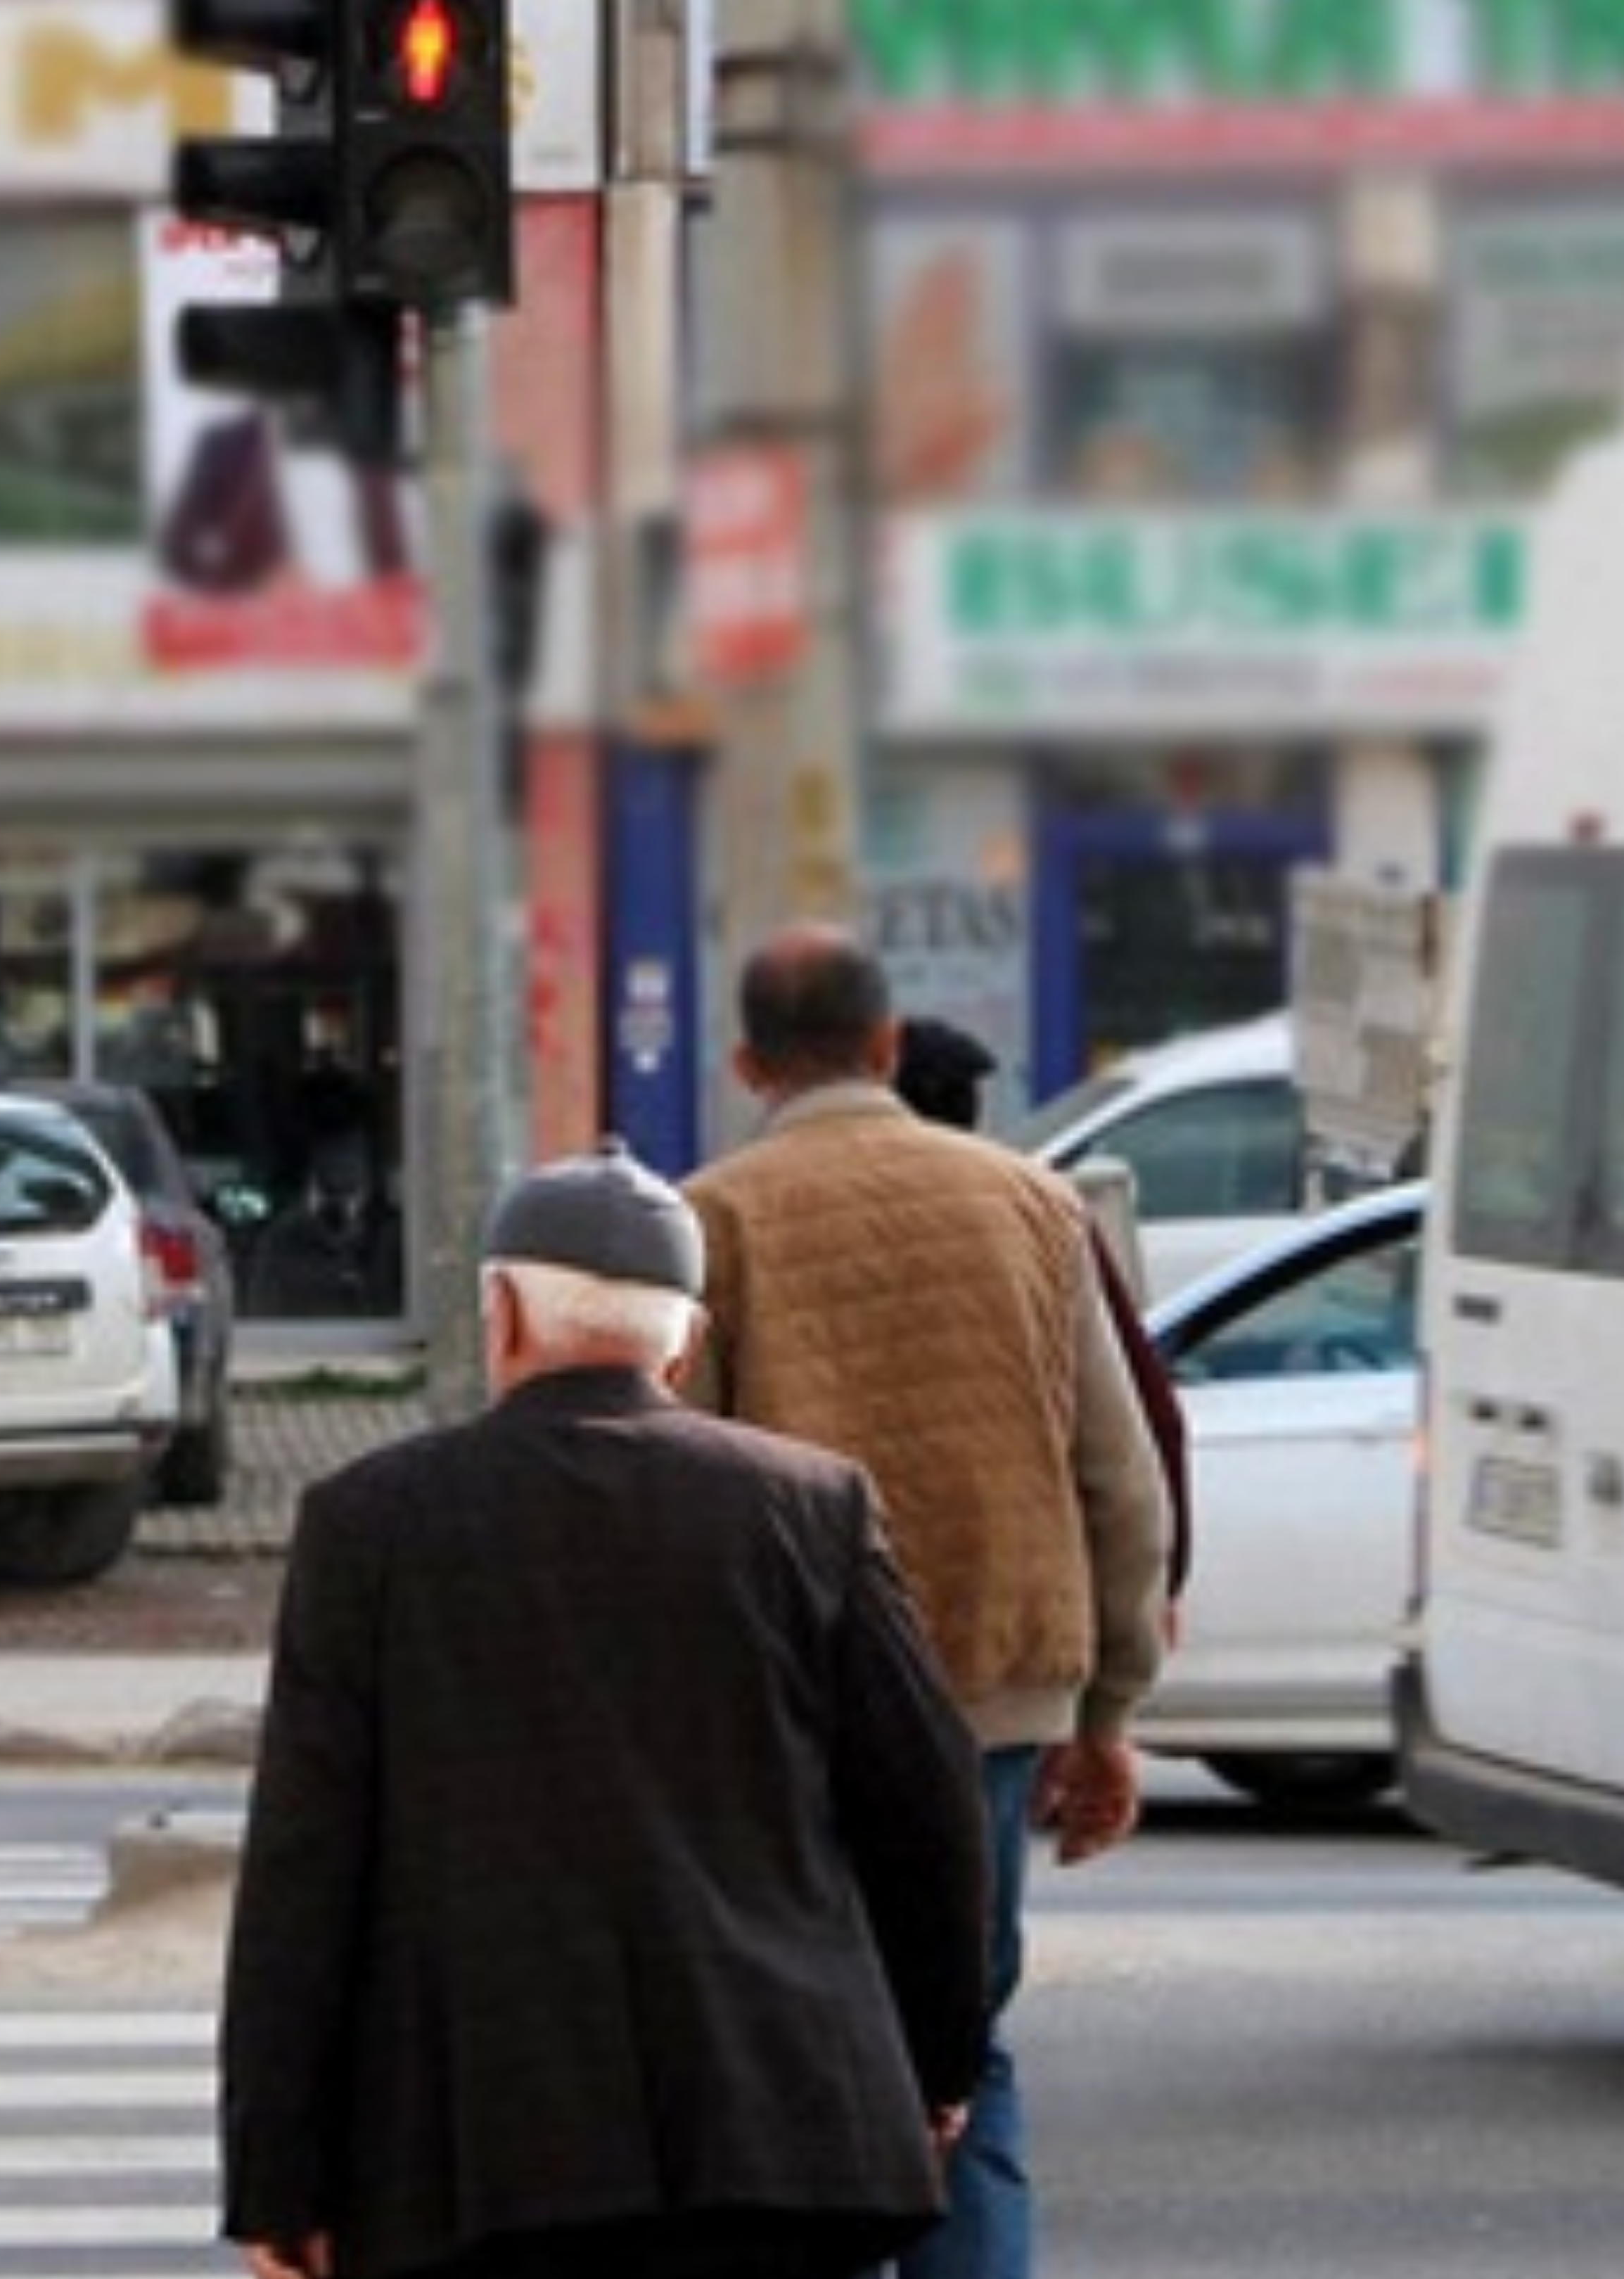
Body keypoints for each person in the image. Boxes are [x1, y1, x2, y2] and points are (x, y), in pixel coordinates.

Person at [222, 1147, 992, 2279]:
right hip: (776, 2127)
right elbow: (929, 1812)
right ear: (683, 1339)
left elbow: (307, 1864)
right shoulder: (810, 1505)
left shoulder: (373, 1523)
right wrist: (934, 2068)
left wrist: (277, 2177)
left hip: (479, 2149)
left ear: (504, 1317)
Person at [683, 929, 1173, 2279]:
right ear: (891, 1045)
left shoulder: (712, 1219)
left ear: (745, 1063)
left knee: (810, 2052)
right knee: (965, 2037)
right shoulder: (1030, 1203)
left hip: (799, 1715)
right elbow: (1120, 1482)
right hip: (992, 1693)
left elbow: (685, 1493)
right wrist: (1111, 1712)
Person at [895, 1014, 1196, 1609]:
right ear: (974, 1112)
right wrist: (1156, 1592)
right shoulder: (1042, 1217)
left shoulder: (766, 1215)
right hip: (1019, 1611)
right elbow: (1144, 1423)